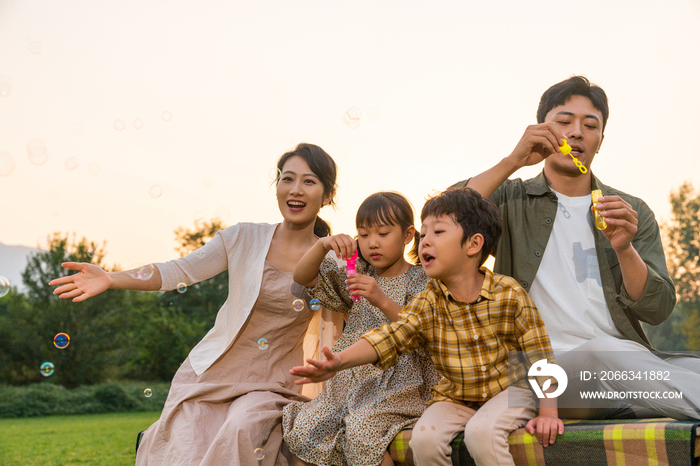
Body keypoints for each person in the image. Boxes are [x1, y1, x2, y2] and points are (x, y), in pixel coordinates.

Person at [49, 143, 340, 465]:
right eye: (288, 179)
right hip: (213, 372)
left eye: (309, 181)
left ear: (328, 195)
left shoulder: (333, 262)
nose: (295, 190)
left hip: (273, 382)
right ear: (277, 186)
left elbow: (355, 317)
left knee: (241, 429)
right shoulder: (243, 238)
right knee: (187, 443)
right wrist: (111, 278)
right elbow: (180, 270)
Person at [454, 75, 700, 420]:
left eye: (590, 125)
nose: (576, 132)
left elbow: (658, 309)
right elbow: (448, 216)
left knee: (681, 365)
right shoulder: (510, 200)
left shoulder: (630, 211)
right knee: (602, 352)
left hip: (616, 373)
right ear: (541, 130)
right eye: (564, 121)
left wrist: (625, 249)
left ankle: (639, 402)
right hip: (539, 374)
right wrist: (513, 160)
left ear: (600, 141)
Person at [290, 187, 563, 466]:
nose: (425, 241)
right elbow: (392, 336)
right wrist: (339, 361)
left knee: (482, 434)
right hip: (458, 396)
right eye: (424, 233)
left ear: (473, 244)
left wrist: (549, 413)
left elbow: (540, 355)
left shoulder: (508, 294)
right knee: (424, 440)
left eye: (438, 232)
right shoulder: (429, 300)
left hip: (509, 391)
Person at [282, 192, 440, 466]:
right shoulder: (358, 275)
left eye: (383, 233)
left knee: (361, 432)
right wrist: (322, 246)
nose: (372, 243)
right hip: (348, 382)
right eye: (363, 235)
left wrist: (382, 299)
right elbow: (302, 276)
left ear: (407, 235)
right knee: (307, 428)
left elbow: (422, 333)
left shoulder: (421, 279)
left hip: (396, 383)